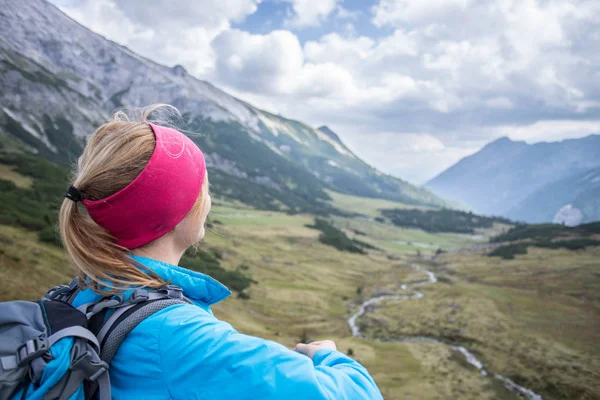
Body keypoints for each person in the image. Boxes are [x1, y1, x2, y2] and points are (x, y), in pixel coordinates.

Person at [58, 105, 384, 399]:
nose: (207, 199)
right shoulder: (182, 339)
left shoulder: (82, 295)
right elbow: (355, 394)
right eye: (202, 187)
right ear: (176, 210)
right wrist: (328, 356)